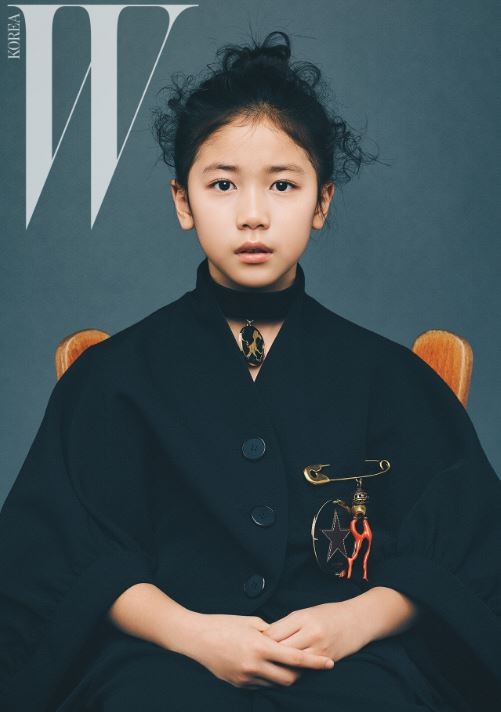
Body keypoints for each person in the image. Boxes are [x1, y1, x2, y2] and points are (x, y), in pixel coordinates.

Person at [1, 29, 500, 712]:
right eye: (222, 184)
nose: (253, 214)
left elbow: (463, 552)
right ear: (183, 202)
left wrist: (352, 621)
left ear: (321, 203)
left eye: (284, 185)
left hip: (347, 661)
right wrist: (193, 634)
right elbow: (64, 553)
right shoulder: (112, 376)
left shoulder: (393, 378)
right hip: (166, 659)